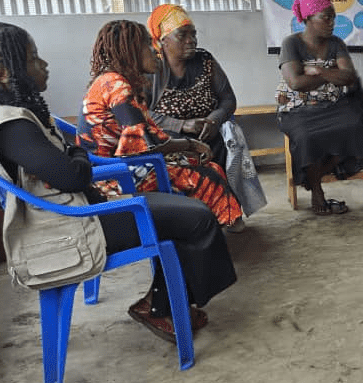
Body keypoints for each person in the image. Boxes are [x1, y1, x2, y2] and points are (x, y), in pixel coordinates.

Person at [0, 21, 236, 342]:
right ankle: (161, 306)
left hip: (76, 210)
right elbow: (73, 173)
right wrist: (77, 154)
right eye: (32, 59)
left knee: (185, 212)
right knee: (195, 217)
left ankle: (165, 300)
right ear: (1, 73)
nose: (44, 65)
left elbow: (70, 162)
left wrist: (74, 154)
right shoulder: (10, 124)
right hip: (73, 227)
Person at [77, 20, 245, 231]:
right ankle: (213, 225)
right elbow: (146, 141)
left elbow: (147, 134)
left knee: (203, 164)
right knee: (206, 174)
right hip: (112, 179)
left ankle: (212, 224)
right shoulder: (116, 86)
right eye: (148, 45)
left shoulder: (116, 81)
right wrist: (191, 145)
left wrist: (188, 146)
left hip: (116, 167)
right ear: (132, 51)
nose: (155, 51)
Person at [277, 0, 363, 215]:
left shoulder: (336, 43)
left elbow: (349, 76)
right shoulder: (291, 43)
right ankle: (317, 191)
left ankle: (313, 177)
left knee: (356, 128)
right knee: (306, 136)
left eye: (334, 17)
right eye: (326, 17)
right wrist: (331, 74)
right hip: (297, 109)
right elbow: (296, 83)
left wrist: (318, 70)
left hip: (332, 105)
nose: (332, 23)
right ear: (308, 19)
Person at [147, 3, 236, 168]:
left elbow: (228, 99)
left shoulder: (205, 60)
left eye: (193, 34)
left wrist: (214, 121)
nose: (191, 40)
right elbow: (140, 112)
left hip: (210, 134)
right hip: (171, 142)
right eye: (182, 35)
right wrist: (182, 125)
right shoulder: (151, 68)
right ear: (163, 39)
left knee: (226, 141)